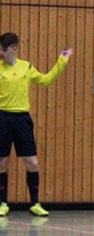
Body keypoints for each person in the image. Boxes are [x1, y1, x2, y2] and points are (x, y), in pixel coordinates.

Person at [0, 33, 73, 217]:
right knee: (2, 163)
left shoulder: (26, 67)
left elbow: (46, 80)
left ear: (14, 49)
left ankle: (35, 203)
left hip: (22, 119)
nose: (0, 53)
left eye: (3, 50)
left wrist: (62, 61)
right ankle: (2, 203)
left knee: (32, 163)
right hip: (2, 118)